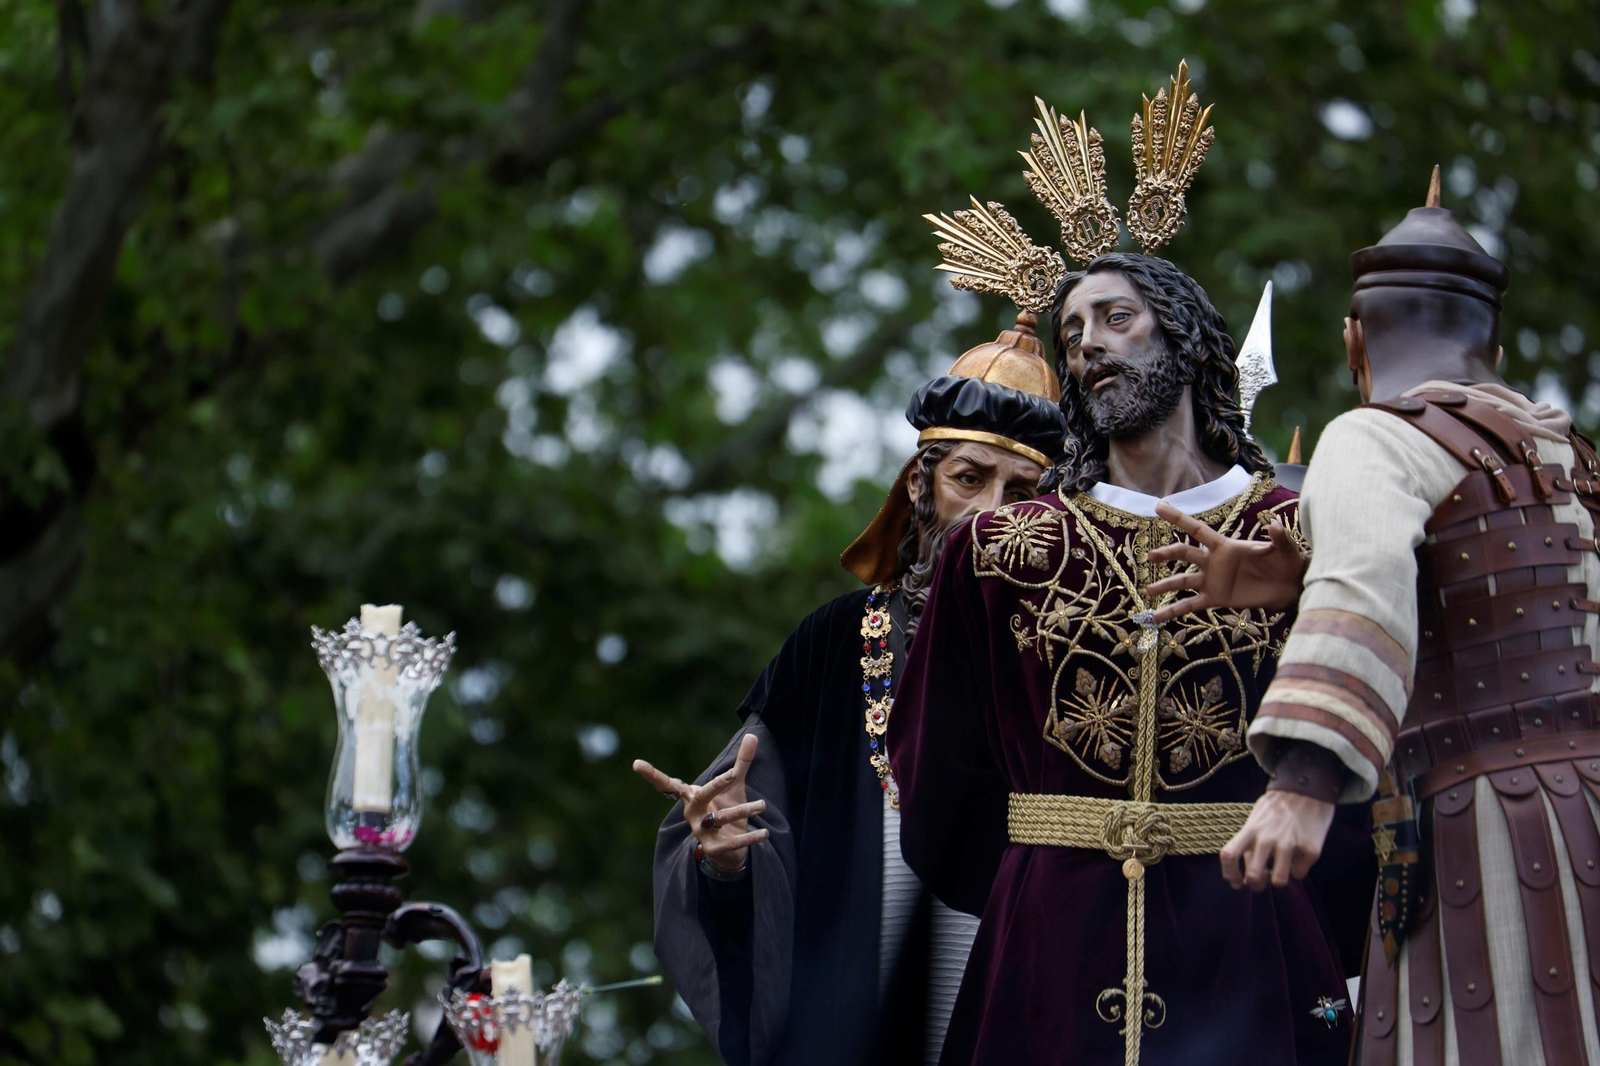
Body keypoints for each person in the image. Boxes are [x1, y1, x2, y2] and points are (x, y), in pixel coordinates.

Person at [887, 64, 1366, 1066]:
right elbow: (936, 778)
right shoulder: (999, 550)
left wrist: (1307, 906)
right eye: (1072, 335)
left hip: (1254, 936)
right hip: (1047, 945)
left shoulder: (1299, 529)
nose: (1091, 346)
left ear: (1186, 341)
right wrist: (1041, 882)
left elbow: (1374, 724)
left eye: (1116, 319)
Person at [1148, 170, 1600, 1064]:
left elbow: (1365, 585)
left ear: (1356, 339)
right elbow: (1503, 591)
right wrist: (1295, 576)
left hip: (1493, 826)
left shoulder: (1374, 436)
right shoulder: (1571, 454)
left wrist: (1304, 781)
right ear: (1496, 354)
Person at [631, 308, 1068, 1066]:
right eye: (970, 478)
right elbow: (741, 816)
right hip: (856, 1021)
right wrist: (724, 860)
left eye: (1023, 490)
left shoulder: (1079, 657)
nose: (993, 514)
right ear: (921, 484)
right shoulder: (835, 645)